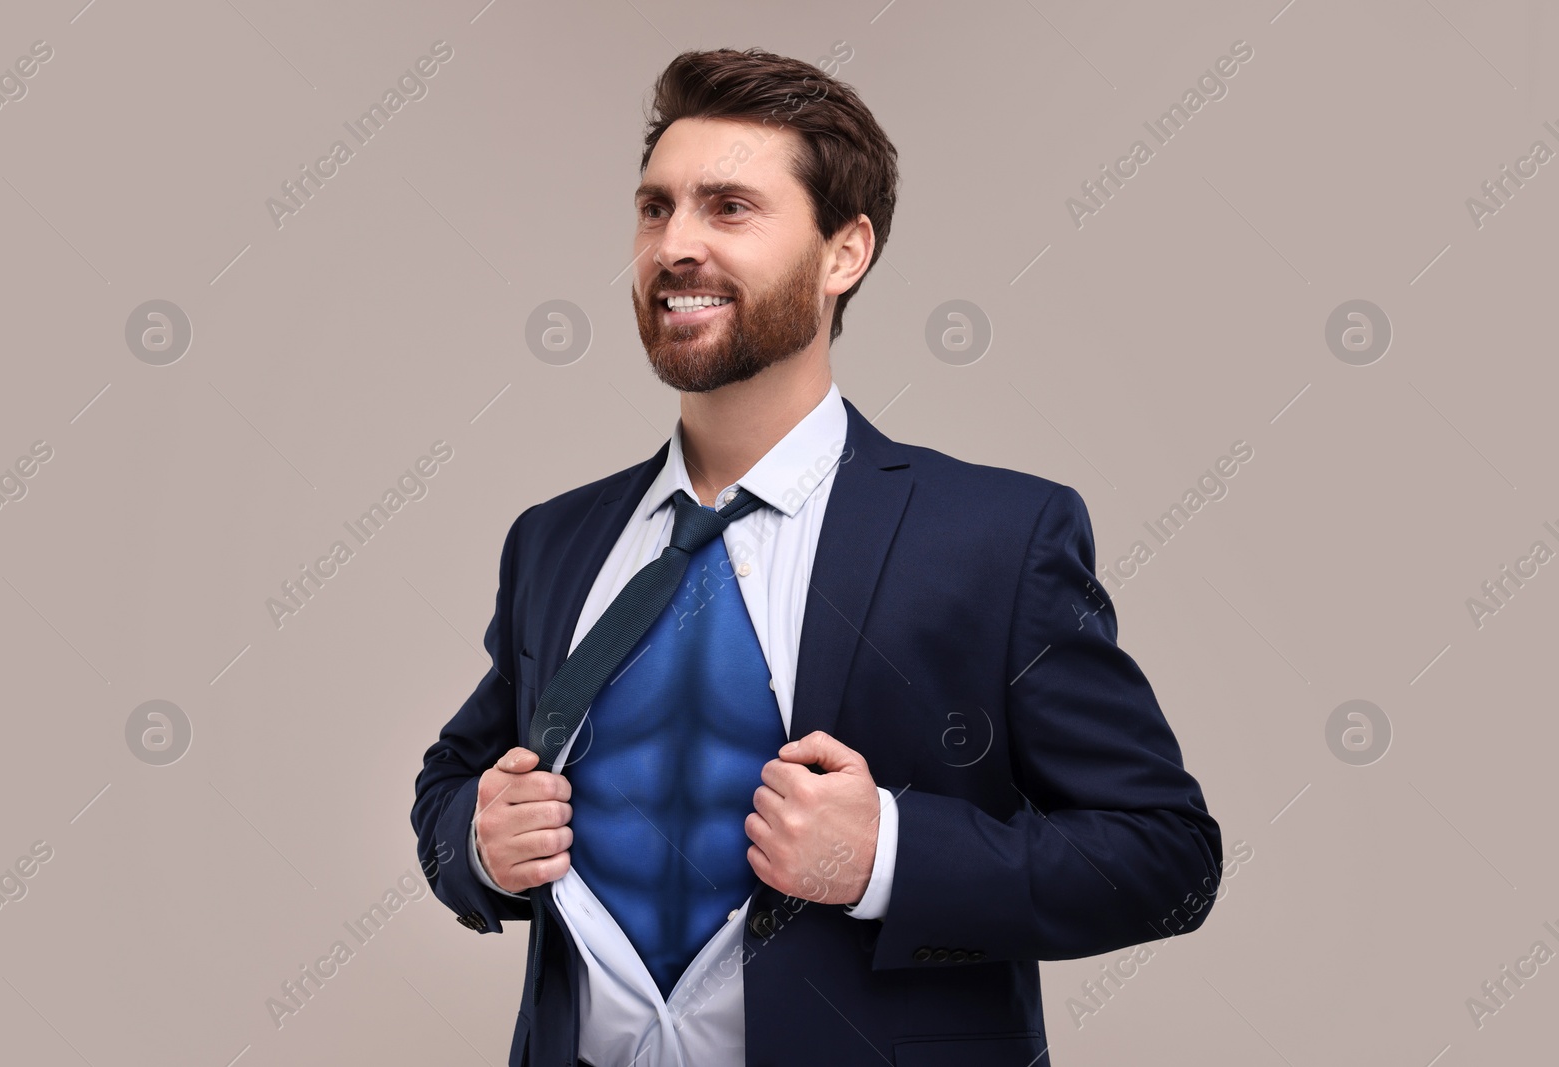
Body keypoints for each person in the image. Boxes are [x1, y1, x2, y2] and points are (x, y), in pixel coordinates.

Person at [412, 46, 1222, 1067]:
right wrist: (479, 849)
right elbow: (457, 775)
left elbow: (1168, 857)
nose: (676, 245)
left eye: (729, 208)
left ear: (844, 252)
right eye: (655, 208)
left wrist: (888, 852)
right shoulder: (556, 539)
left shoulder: (994, 538)